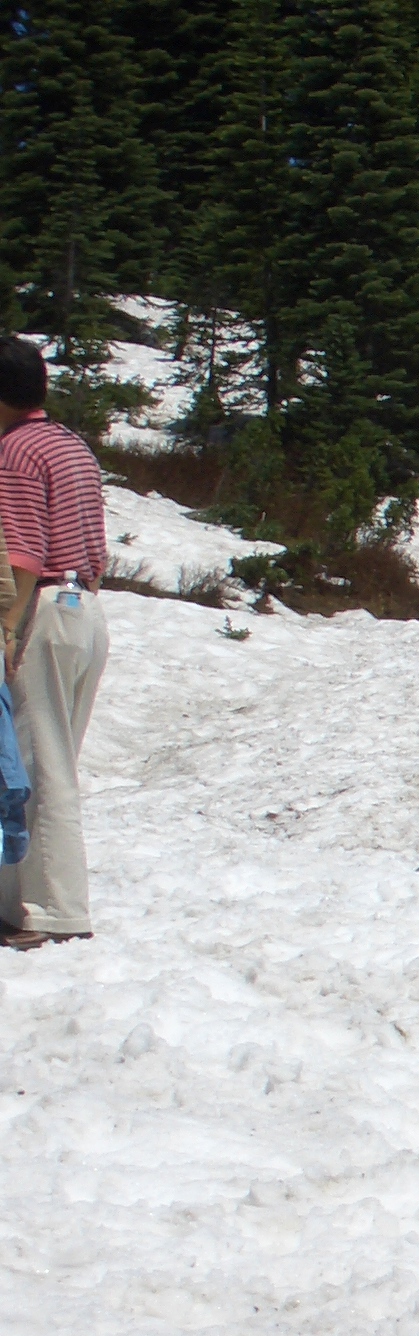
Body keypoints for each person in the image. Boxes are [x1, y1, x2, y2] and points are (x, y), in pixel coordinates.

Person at [0, 334, 110, 951]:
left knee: (36, 764)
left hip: (41, 606)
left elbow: (20, 551)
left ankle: (51, 910)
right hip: (84, 607)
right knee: (48, 759)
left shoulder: (13, 452)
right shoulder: (71, 444)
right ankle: (19, 900)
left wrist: (8, 629)